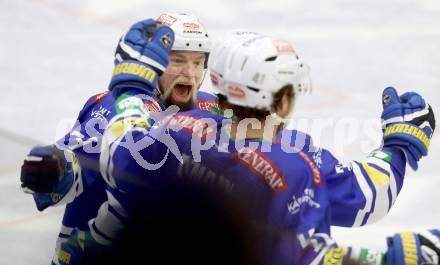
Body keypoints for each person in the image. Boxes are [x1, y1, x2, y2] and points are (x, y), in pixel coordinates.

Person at [59, 29, 436, 264]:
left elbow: (119, 148)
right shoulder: (295, 166)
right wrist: (399, 147)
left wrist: (133, 90)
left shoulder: (175, 128)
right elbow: (359, 203)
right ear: (284, 101)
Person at [19, 12, 216, 265]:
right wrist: (54, 171)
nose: (190, 73)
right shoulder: (113, 107)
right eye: (177, 60)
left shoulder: (212, 108)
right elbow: (76, 167)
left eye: (197, 62)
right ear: (153, 64)